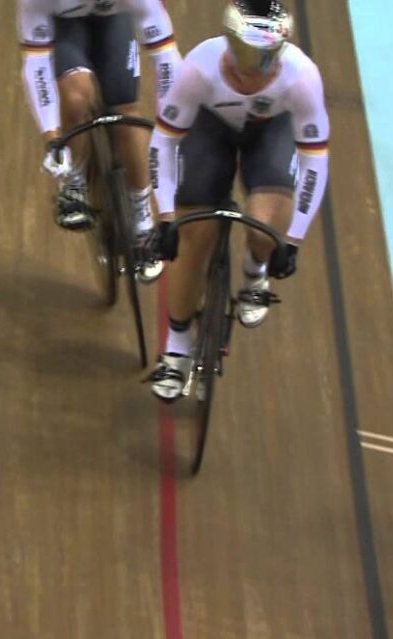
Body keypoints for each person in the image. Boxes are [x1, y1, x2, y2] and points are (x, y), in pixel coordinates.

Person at [144, 0, 330, 400]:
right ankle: (176, 349)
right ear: (229, 43)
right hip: (210, 130)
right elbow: (164, 141)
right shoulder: (198, 68)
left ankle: (253, 269)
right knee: (194, 238)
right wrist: (165, 217)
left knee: (265, 227)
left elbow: (314, 163)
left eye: (266, 58)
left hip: (270, 132)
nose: (254, 69)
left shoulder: (301, 79)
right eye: (247, 54)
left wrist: (292, 241)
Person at [17, 0, 181, 283]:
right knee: (76, 94)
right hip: (65, 26)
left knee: (127, 112)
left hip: (114, 21)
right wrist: (53, 138)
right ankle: (75, 181)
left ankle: (142, 220)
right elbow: (36, 65)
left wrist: (172, 122)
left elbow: (166, 59)